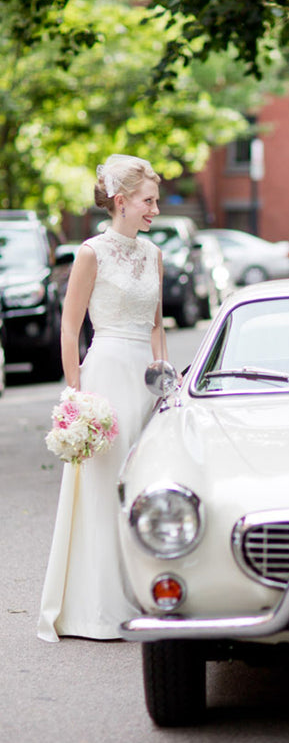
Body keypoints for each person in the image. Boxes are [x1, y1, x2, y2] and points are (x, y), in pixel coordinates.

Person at [38, 154, 167, 642]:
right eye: (148, 200)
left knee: (143, 486)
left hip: (146, 380)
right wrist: (75, 396)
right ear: (121, 201)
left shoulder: (155, 253)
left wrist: (165, 376)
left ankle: (145, 598)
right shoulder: (91, 252)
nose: (155, 209)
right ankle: (97, 608)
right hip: (107, 372)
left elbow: (157, 326)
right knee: (101, 488)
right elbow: (71, 328)